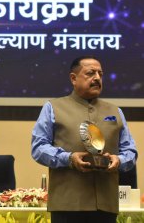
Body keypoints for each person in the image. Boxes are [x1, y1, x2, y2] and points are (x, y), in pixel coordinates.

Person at [31, 55, 137, 223]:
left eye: (100, 74)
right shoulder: (53, 107)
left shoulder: (116, 111)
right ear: (73, 78)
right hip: (67, 206)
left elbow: (130, 151)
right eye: (90, 73)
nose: (97, 78)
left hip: (106, 206)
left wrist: (119, 160)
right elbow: (38, 148)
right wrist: (69, 158)